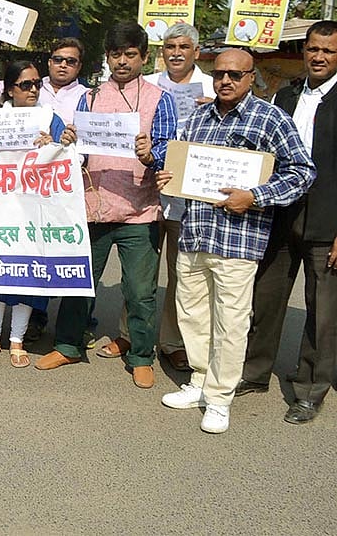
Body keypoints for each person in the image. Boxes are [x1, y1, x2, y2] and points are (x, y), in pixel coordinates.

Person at [159, 48, 315, 433]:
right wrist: (169, 177)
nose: (225, 81)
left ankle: (220, 397)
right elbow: (179, 166)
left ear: (251, 77)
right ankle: (198, 380)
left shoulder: (271, 119)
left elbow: (302, 171)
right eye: (220, 74)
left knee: (231, 322)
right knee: (192, 314)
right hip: (195, 232)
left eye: (235, 75)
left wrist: (256, 196)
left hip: (239, 240)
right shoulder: (196, 118)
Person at [35, 22, 176, 390]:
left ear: (145, 57)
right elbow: (77, 154)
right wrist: (67, 140)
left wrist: (152, 155)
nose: (123, 61)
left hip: (140, 211)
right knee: (80, 285)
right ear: (107, 58)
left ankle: (141, 356)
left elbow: (170, 152)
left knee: (140, 290)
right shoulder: (91, 99)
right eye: (116, 54)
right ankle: (67, 345)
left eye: (131, 54)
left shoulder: (160, 99)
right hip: (92, 207)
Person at [97, 23, 215, 371]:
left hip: (187, 198)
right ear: (158, 53)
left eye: (183, 46)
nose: (175, 52)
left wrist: (212, 108)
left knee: (183, 274)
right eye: (169, 46)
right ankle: (129, 335)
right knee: (139, 278)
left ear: (196, 51)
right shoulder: (146, 83)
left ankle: (173, 342)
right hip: (143, 197)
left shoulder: (214, 87)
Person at [238, 21, 337, 425]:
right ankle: (255, 372)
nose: (318, 57)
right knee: (266, 299)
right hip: (280, 214)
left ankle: (310, 389)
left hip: (326, 221)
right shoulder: (286, 94)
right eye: (313, 49)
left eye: (328, 51)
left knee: (323, 311)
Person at [0, 63, 76, 367]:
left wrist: (54, 143)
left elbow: (68, 155)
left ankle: (16, 339)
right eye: (24, 84)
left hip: (34, 211)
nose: (32, 89)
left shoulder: (50, 118)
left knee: (26, 275)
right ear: (11, 88)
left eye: (36, 84)